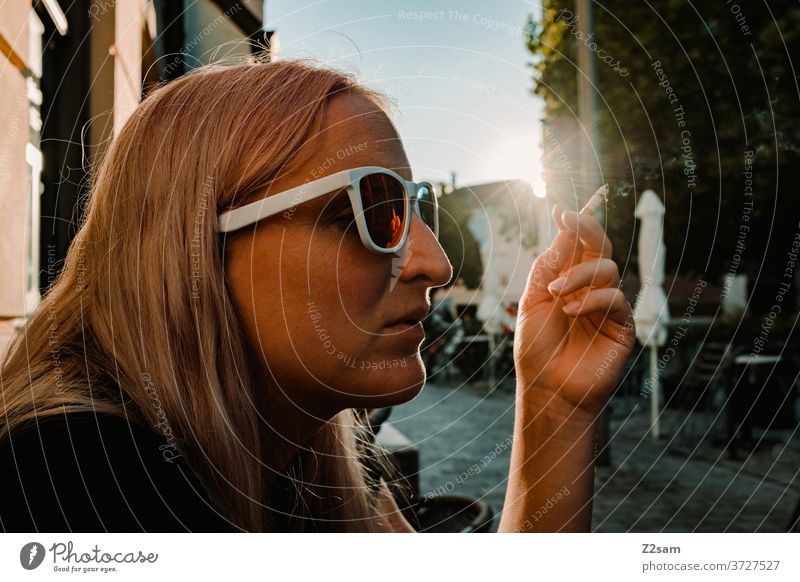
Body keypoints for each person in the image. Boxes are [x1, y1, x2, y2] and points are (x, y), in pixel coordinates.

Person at [0, 58, 634, 533]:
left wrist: (554, 407)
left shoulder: (300, 470)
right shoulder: (72, 479)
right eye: (372, 208)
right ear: (195, 242)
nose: (433, 263)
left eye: (418, 209)